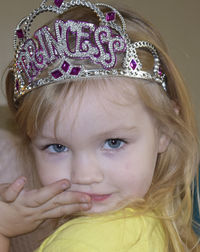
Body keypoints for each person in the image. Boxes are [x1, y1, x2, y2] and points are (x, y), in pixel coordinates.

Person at [0, 0, 199, 251]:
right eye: (57, 147)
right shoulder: (152, 220)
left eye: (113, 142)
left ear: (164, 129)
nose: (84, 176)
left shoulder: (82, 242)